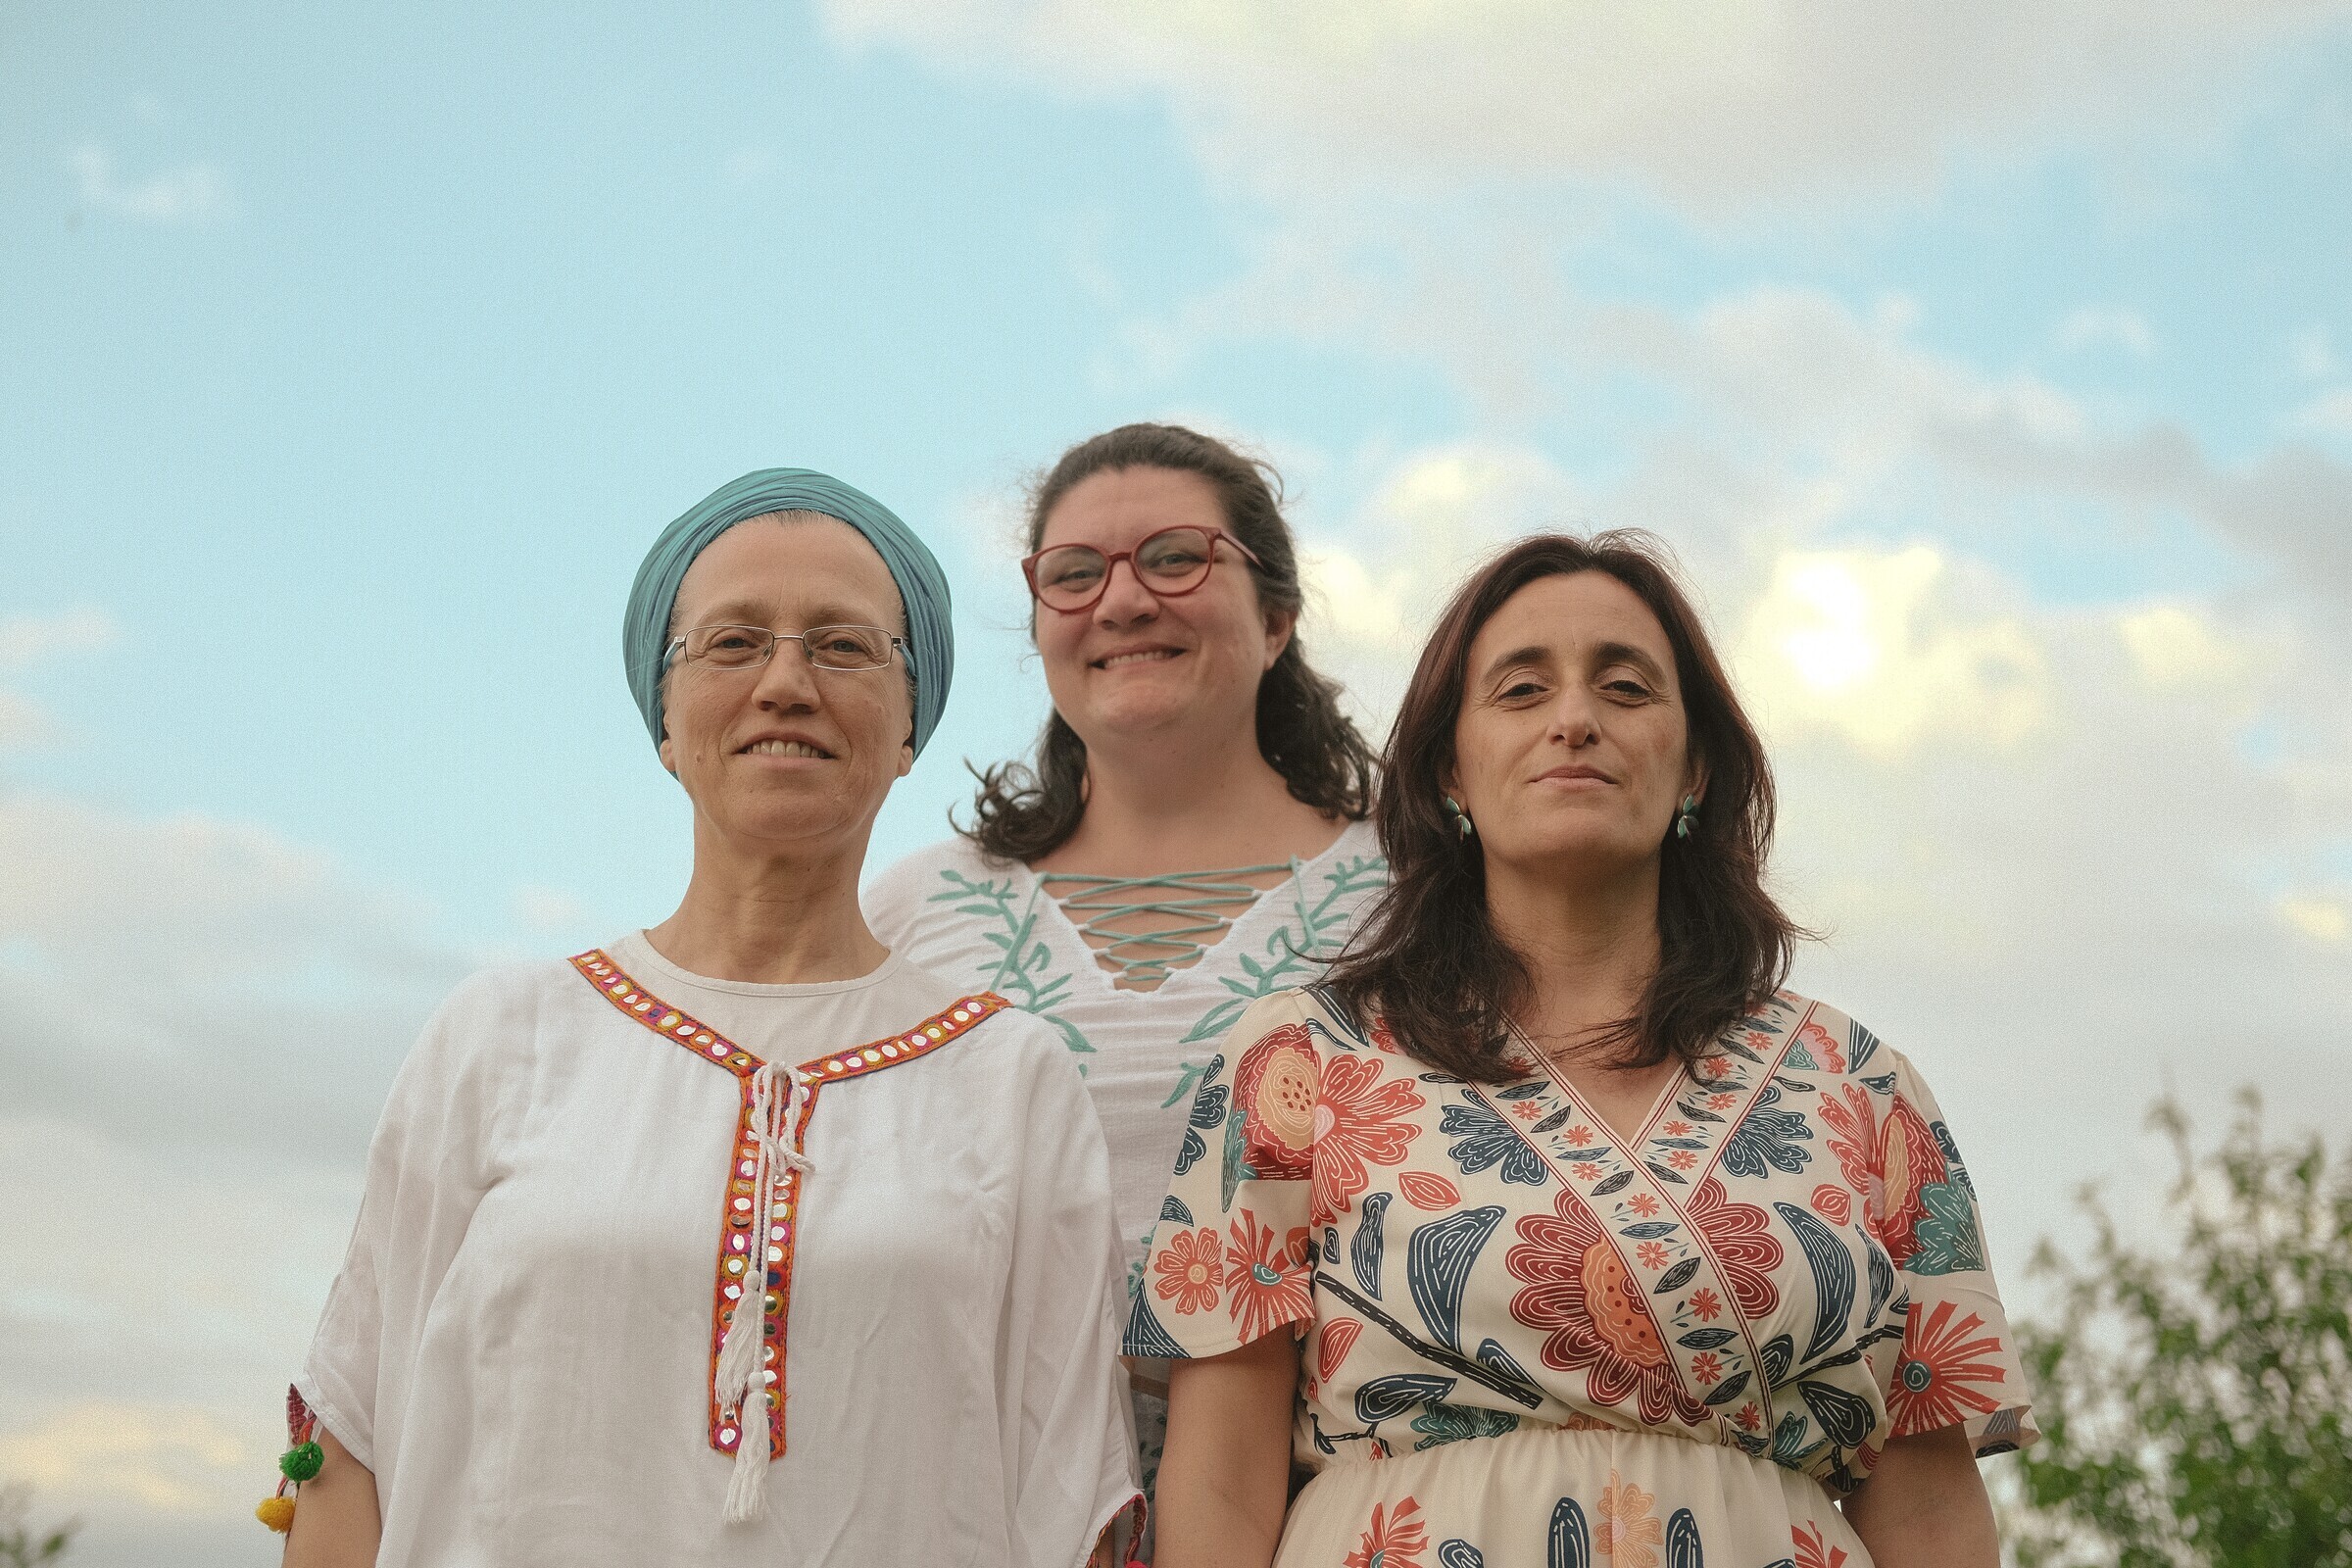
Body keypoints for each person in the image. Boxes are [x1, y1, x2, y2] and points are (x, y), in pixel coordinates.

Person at [271, 470, 1139, 1567]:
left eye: (843, 645)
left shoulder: (1011, 1080)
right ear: (665, 723)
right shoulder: (501, 1039)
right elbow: (347, 1451)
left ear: (910, 723)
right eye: (732, 644)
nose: (786, 681)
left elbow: (1072, 1498)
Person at [1133, 533, 2034, 1567]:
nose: (1575, 720)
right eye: (1521, 690)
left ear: (1695, 766)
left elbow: (1929, 1516)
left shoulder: (1859, 1085)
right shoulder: (1299, 1061)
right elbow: (1215, 1488)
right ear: (1449, 772)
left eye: (1626, 686)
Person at [865, 423, 1387, 1501]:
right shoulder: (915, 912)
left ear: (1278, 615)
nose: (1123, 601)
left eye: (1174, 557)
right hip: (984, 1505)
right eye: (1074, 574)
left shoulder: (1417, 895)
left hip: (1320, 1513)